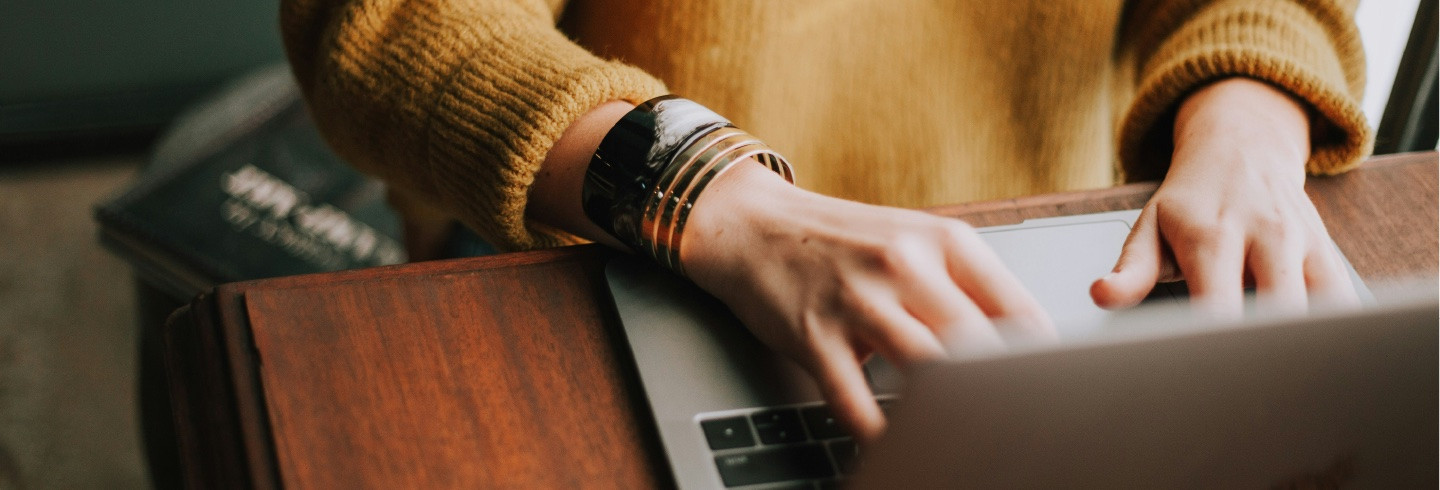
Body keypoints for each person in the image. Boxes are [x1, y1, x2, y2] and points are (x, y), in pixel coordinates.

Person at [280, 0, 1372, 442]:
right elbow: (383, 22)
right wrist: (717, 194)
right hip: (607, 255)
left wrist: (1248, 121)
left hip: (1042, 282)